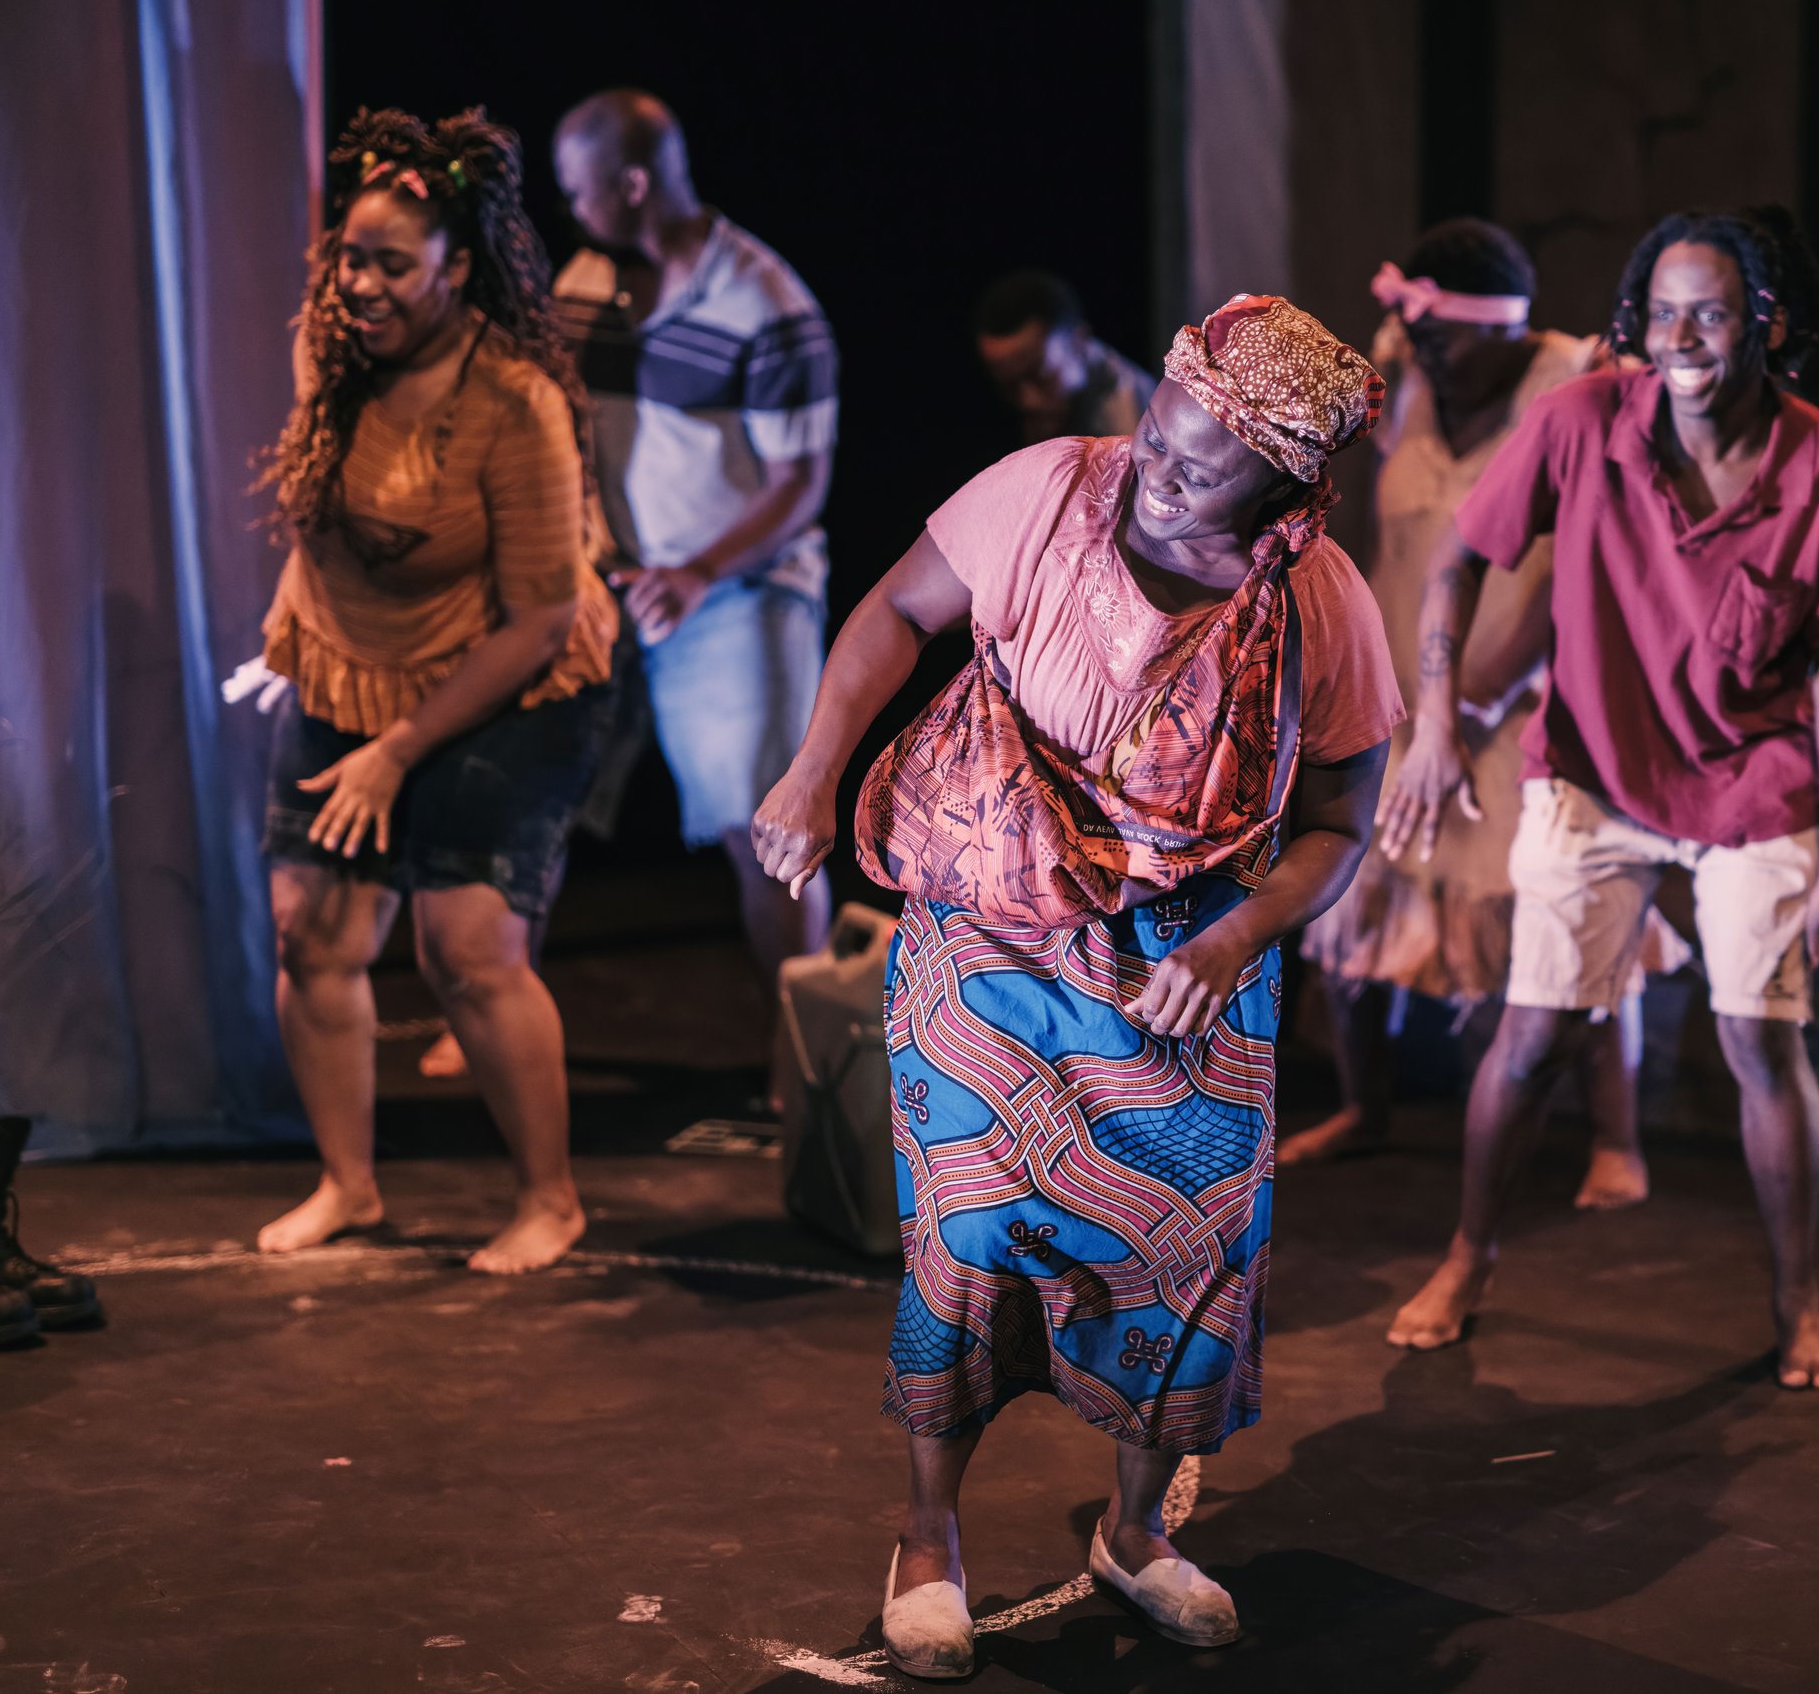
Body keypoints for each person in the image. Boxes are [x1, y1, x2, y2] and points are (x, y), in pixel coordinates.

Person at [753, 294, 1399, 1677]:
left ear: (1286, 486)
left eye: (1205, 466)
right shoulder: (1044, 490)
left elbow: (1346, 815)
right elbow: (891, 611)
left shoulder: (1318, 601)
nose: (1160, 472)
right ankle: (928, 1536)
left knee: (1185, 1253)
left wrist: (1238, 940)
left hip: (1190, 956)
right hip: (991, 916)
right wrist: (812, 770)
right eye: (1162, 434)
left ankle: (1134, 1529)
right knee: (969, 1236)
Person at [1376, 207, 1819, 1388]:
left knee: (1760, 1042)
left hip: (1753, 782)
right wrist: (1430, 728)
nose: (1680, 336)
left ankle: (1797, 1298)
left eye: (1708, 312)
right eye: (1660, 312)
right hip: (1594, 766)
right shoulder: (1579, 424)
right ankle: (1469, 1254)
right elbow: (1461, 558)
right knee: (1534, 1034)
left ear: (1764, 324)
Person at [254, 108, 621, 1274]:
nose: (358, 282)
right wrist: (303, 647)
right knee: (309, 930)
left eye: (390, 265)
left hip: (511, 678)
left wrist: (397, 750)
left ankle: (549, 1200)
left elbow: (542, 620)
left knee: (462, 946)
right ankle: (348, 1187)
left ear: (457, 270)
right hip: (345, 663)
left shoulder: (516, 403)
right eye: (347, 256)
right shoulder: (327, 352)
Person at [1287, 220, 1687, 1196]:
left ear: (1506, 328)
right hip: (1399, 686)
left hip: (1526, 696)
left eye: (1447, 339)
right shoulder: (1409, 376)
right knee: (1357, 882)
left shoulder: (1574, 384)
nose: (1431, 357)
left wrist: (1471, 703)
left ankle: (1615, 1138)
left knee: (1558, 902)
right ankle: (1363, 1106)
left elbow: (1570, 567)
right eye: (1419, 339)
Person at [551, 87, 837, 976]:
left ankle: (805, 1053)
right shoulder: (585, 286)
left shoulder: (766, 303)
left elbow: (802, 480)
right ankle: (484, 1012)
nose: (570, 208)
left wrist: (700, 570)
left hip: (732, 589)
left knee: (765, 828)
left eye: (577, 190)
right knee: (534, 807)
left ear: (632, 184)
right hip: (605, 586)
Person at [973, 267, 1156, 444]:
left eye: (1040, 376)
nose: (1027, 400)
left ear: (1079, 343)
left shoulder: (1130, 413)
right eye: (1009, 386)